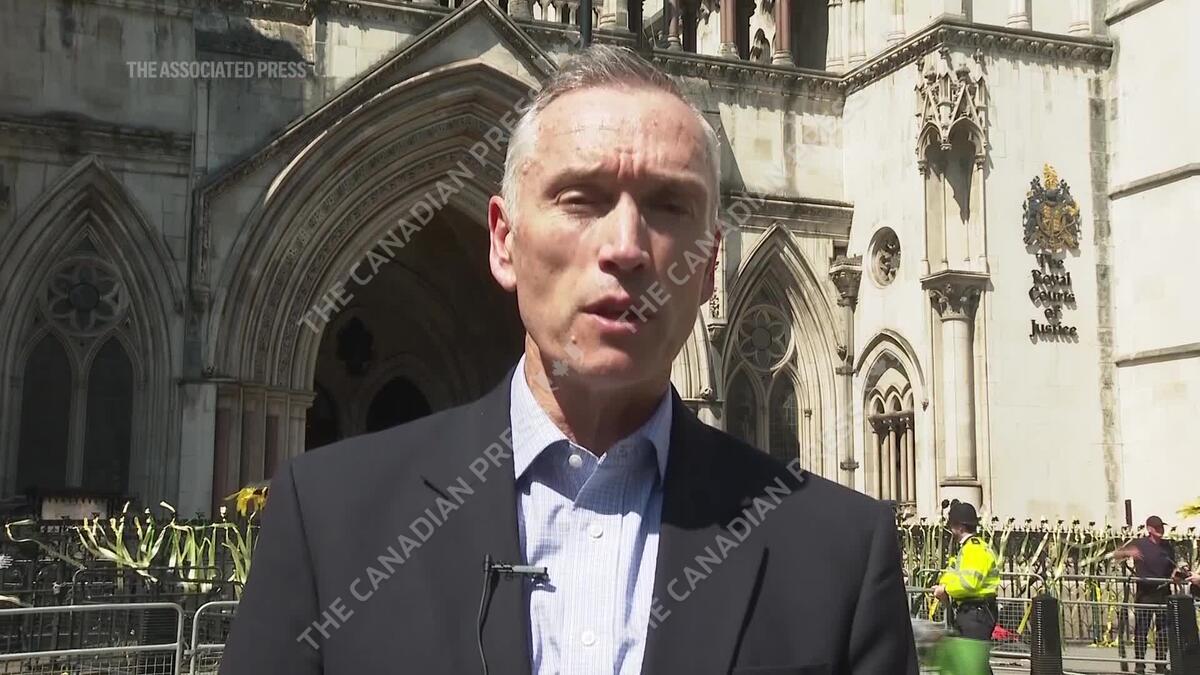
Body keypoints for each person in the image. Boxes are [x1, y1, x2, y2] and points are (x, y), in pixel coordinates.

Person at [220, 45, 917, 674]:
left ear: (711, 265)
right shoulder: (329, 521)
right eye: (582, 199)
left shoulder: (840, 556)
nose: (626, 247)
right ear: (504, 241)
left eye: (669, 206)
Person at [930, 500, 1000, 674]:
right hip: (971, 613)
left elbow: (969, 583)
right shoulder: (967, 549)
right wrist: (944, 585)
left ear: (960, 527)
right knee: (973, 664)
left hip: (976, 613)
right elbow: (953, 574)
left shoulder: (974, 549)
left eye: (952, 525)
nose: (950, 530)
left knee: (970, 664)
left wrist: (945, 590)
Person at [1114, 515, 1178, 674]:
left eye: (1161, 527)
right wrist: (1129, 552)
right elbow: (1116, 554)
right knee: (1141, 630)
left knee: (1163, 631)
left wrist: (1176, 575)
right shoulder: (1140, 543)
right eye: (1157, 527)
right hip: (1145, 593)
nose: (1160, 530)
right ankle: (1140, 664)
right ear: (1149, 529)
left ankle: (1160, 663)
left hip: (1163, 592)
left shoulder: (1167, 546)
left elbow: (1173, 566)